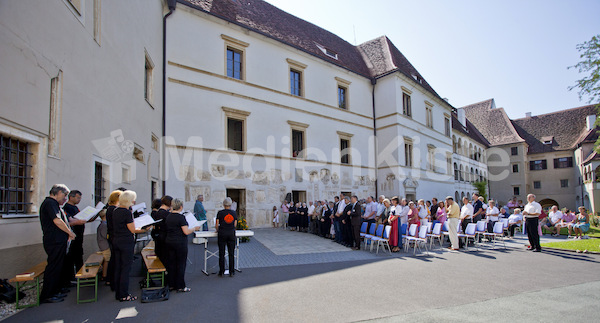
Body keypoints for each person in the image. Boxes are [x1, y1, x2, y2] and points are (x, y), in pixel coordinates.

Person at [39, 184, 75, 303]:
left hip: (58, 240)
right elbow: (57, 221)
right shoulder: (50, 203)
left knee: (59, 266)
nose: (65, 199)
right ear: (58, 192)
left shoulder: (54, 204)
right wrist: (70, 232)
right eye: (64, 196)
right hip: (54, 241)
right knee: (53, 267)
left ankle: (57, 289)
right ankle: (48, 294)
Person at [112, 190, 150, 301]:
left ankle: (119, 293)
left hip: (117, 240)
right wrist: (144, 229)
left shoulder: (115, 210)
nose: (134, 201)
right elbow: (132, 229)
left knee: (119, 267)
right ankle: (124, 295)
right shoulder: (126, 212)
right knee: (125, 268)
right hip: (126, 242)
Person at [165, 198, 200, 292]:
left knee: (172, 264)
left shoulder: (168, 216)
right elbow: (186, 231)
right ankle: (180, 285)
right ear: (181, 207)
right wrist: (194, 228)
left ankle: (171, 284)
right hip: (179, 243)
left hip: (169, 241)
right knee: (181, 264)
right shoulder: (181, 218)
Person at [62, 190, 86, 286]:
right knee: (72, 257)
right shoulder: (67, 208)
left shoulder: (74, 207)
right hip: (73, 237)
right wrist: (77, 222)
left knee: (78, 256)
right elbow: (68, 222)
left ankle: (80, 274)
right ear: (71, 197)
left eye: (80, 198)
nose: (79, 199)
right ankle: (72, 277)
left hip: (79, 236)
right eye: (77, 197)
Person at [105, 190, 123, 290]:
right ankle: (112, 280)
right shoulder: (113, 209)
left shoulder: (111, 208)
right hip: (114, 236)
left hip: (112, 236)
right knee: (115, 260)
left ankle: (110, 279)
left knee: (114, 259)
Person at [216, 197, 238, 277]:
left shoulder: (220, 213)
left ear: (223, 204)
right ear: (230, 204)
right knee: (231, 253)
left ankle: (221, 271)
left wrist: (218, 230)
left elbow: (217, 224)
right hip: (231, 233)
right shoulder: (234, 213)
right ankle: (231, 271)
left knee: (221, 253)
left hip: (222, 233)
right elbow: (235, 224)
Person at [152, 196, 172, 265]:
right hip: (164, 237)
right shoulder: (166, 214)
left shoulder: (156, 213)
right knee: (165, 258)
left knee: (160, 255)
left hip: (158, 236)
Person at [97, 209, 110, 282]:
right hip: (105, 245)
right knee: (106, 260)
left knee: (106, 260)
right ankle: (104, 275)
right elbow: (105, 235)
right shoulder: (104, 225)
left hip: (102, 244)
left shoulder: (102, 224)